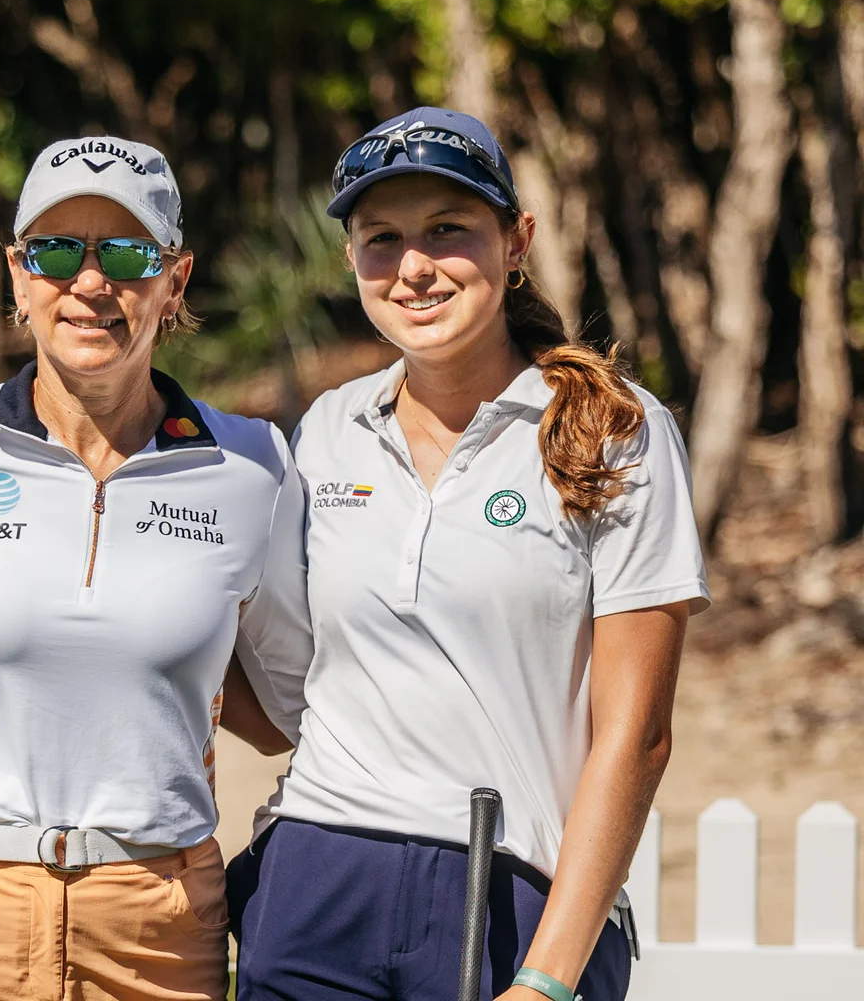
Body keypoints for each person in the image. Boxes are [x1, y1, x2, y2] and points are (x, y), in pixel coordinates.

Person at [226, 108, 710, 1001]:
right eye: (383, 239)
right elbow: (286, 680)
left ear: (516, 241)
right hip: (316, 876)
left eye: (448, 231)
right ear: (352, 261)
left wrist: (548, 979)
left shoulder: (614, 431)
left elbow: (636, 737)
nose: (414, 267)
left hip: (511, 892)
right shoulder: (327, 431)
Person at [0, 136, 312, 1001]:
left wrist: (147, 679)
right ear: (18, 275)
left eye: (126, 254)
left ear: (176, 280)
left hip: (157, 925)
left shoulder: (255, 468)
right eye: (55, 252)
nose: (90, 283)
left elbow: (289, 713)